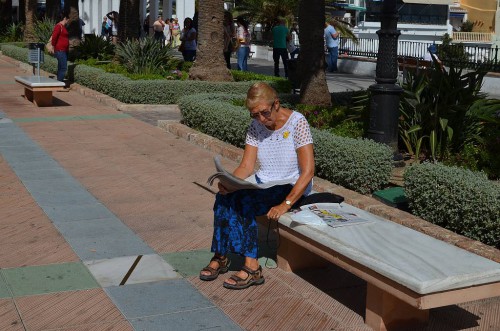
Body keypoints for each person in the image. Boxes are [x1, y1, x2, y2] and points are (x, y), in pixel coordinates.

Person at [199, 82, 315, 290]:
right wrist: (229, 183)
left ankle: (252, 268)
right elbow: (246, 165)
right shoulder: (256, 126)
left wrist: (285, 205)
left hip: (289, 186)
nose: (261, 119)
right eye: (255, 115)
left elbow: (307, 172)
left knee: (245, 202)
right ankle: (221, 255)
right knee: (224, 197)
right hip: (264, 182)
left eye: (264, 112)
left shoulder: (297, 123)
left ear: (276, 104)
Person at [51, 10, 70, 83]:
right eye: (67, 20)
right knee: (63, 67)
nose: (67, 21)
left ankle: (58, 83)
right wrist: (53, 47)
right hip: (60, 50)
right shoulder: (58, 26)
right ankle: (60, 83)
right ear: (65, 18)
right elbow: (54, 37)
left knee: (60, 67)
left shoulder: (62, 26)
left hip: (63, 50)